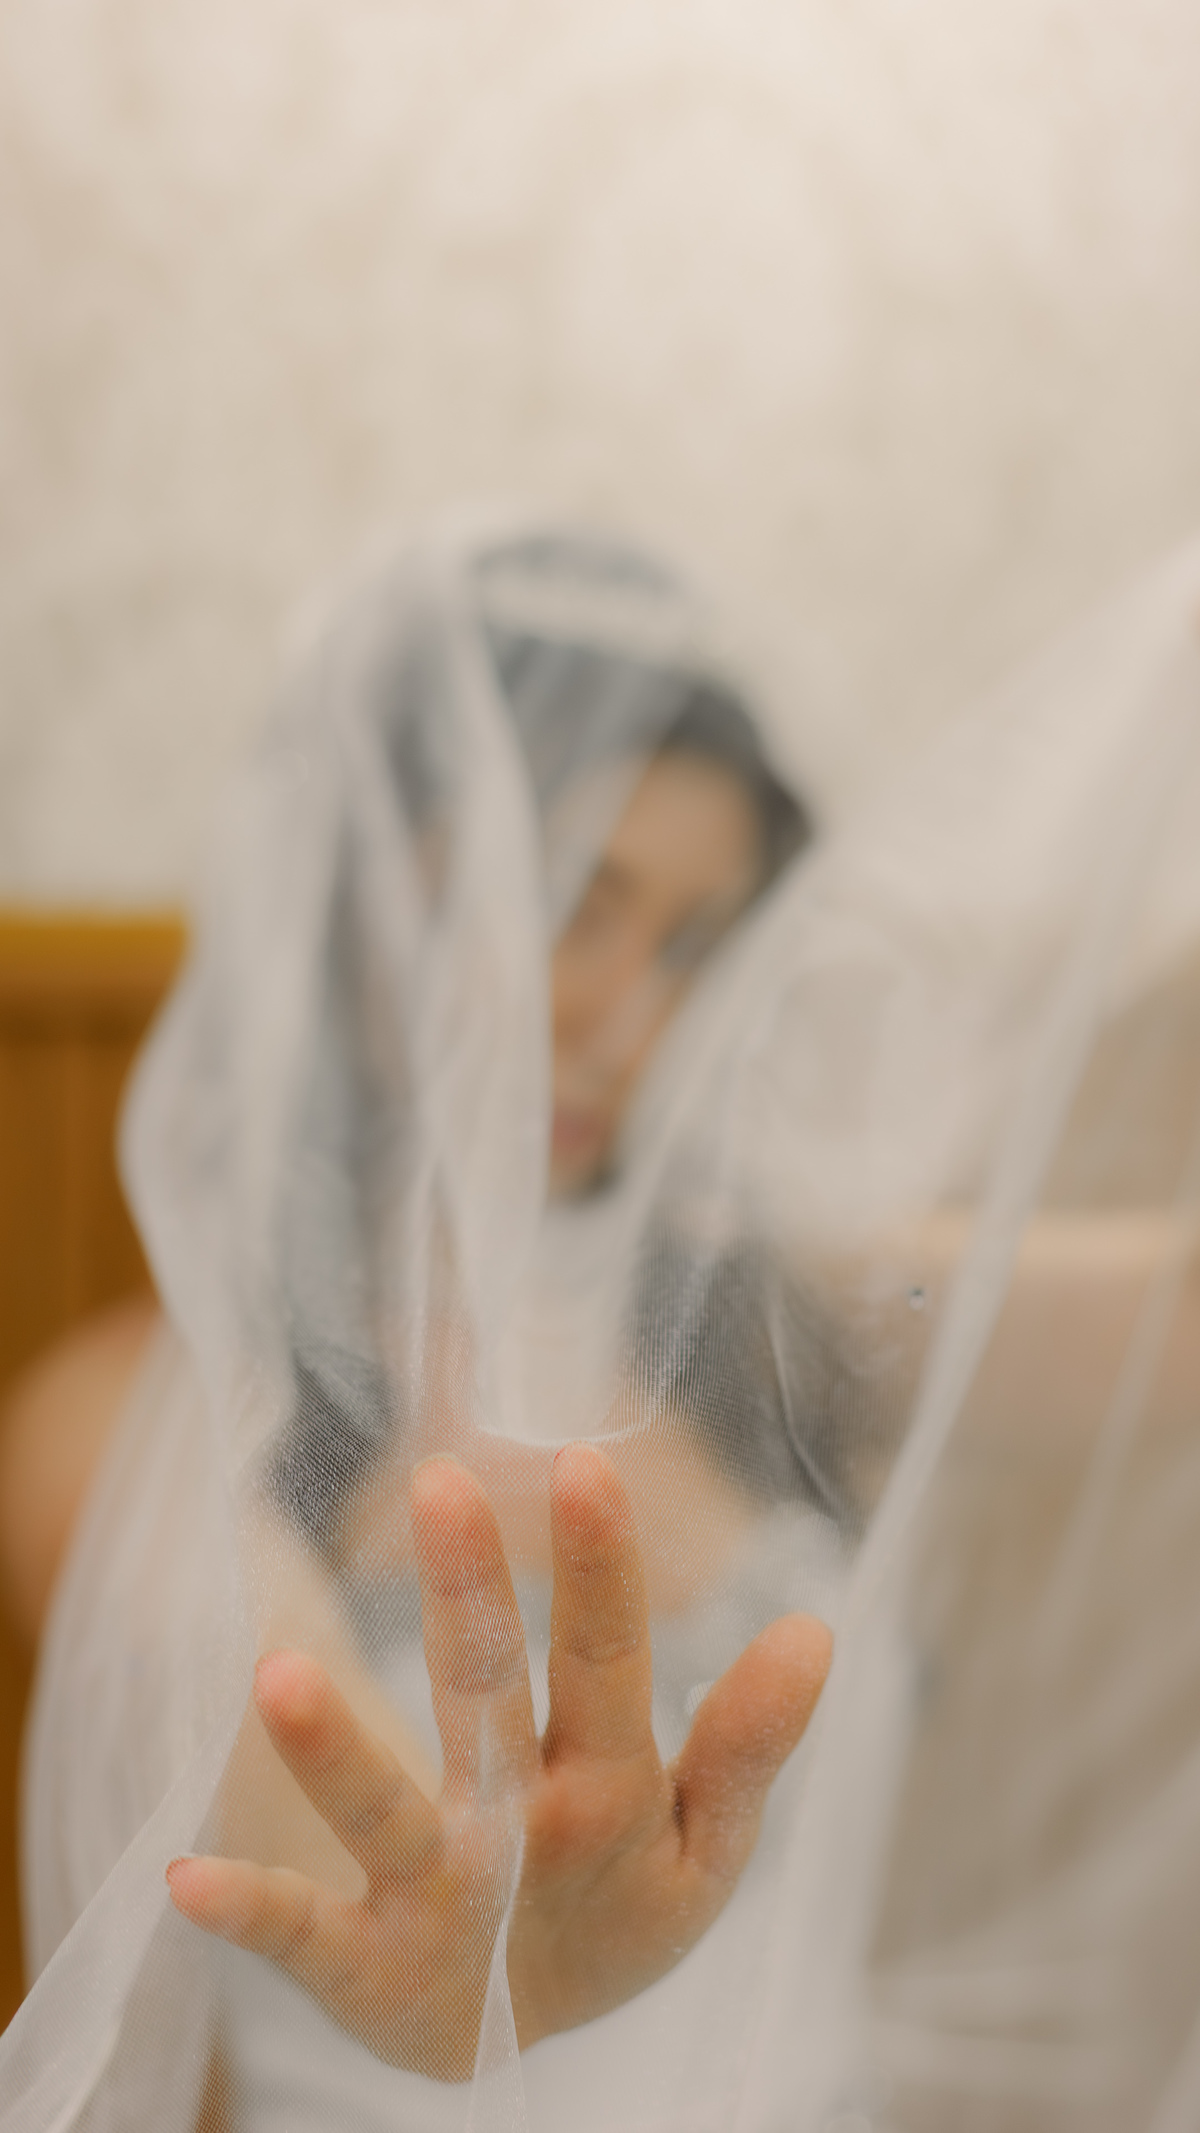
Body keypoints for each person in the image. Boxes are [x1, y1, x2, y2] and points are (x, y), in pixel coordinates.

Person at [6, 518, 1200, 2133]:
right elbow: (326, 1832)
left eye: (697, 936)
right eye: (568, 900)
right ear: (368, 903)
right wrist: (466, 1962)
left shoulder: (795, 1318)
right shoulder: (124, 1422)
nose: (629, 1007)